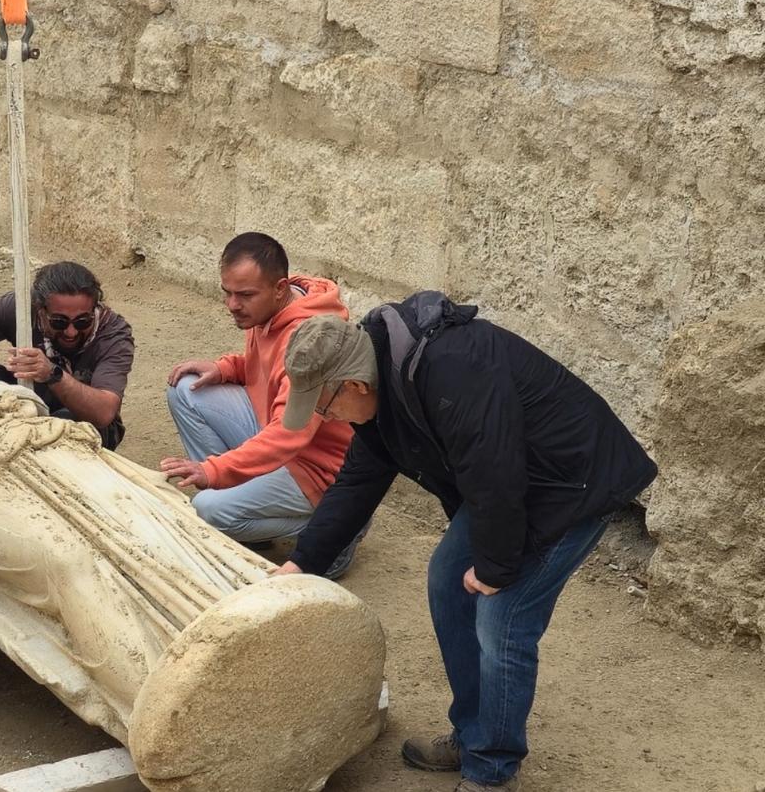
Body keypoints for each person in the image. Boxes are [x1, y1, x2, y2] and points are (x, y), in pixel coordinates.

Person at [274, 293, 658, 792]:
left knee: (504, 620)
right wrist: (302, 563)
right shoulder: (380, 388)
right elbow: (358, 481)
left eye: (325, 405)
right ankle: (473, 733)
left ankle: (492, 772)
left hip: (571, 483)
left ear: (352, 382)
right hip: (511, 484)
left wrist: (496, 569)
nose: (326, 418)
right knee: (446, 580)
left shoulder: (453, 370)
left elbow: (493, 473)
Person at [160, 233, 363, 572]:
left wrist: (213, 471)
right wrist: (227, 368)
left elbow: (290, 433)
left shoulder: (311, 339)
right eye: (227, 292)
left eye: (244, 295)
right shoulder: (267, 309)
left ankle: (337, 528)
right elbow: (271, 371)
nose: (232, 304)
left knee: (206, 508)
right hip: (277, 432)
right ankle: (246, 512)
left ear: (280, 288)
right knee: (186, 387)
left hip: (316, 468)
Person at [0, 262, 133, 450]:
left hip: (85, 417)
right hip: (29, 394)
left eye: (82, 322)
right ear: (40, 310)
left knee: (64, 427)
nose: (71, 332)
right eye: (59, 322)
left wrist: (52, 373)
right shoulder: (19, 308)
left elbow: (104, 413)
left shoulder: (113, 334)